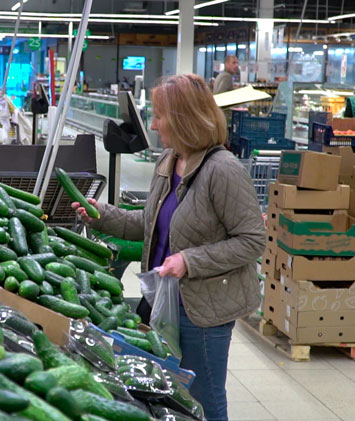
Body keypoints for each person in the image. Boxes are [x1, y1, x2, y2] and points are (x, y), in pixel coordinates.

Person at [73, 74, 266, 421]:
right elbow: (149, 226)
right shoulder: (168, 161)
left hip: (204, 310)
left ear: (183, 119)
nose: (153, 123)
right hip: (162, 301)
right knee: (170, 396)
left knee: (204, 400)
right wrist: (101, 215)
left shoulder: (223, 170)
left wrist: (190, 261)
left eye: (160, 115)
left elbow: (253, 241)